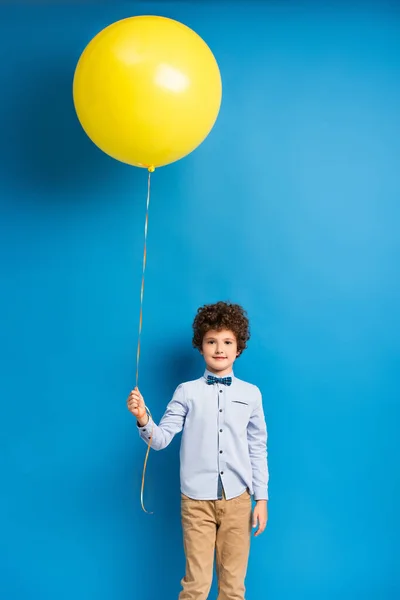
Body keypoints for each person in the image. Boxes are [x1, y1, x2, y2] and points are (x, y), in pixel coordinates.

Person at [127, 301, 269, 600]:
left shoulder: (251, 394)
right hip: (196, 502)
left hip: (239, 501)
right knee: (196, 586)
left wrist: (262, 498)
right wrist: (143, 418)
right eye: (212, 341)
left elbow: (257, 448)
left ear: (239, 347)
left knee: (233, 587)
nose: (220, 348)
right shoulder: (186, 392)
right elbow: (161, 438)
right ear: (200, 346)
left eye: (228, 341)